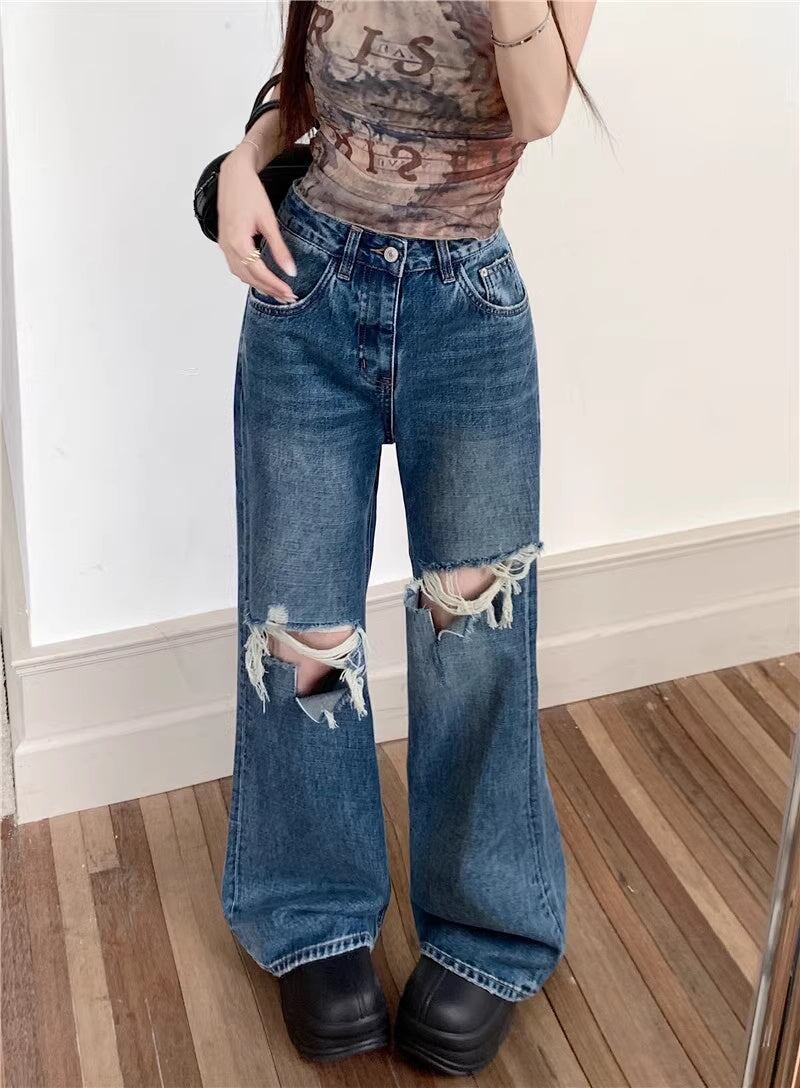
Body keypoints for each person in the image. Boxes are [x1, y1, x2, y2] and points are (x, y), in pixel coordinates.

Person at [215, 0, 596, 1075]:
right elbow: (309, 88)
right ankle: (313, 909)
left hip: (463, 309)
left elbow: (540, 108)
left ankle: (487, 926)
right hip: (307, 289)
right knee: (302, 636)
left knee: (469, 636)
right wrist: (243, 162)